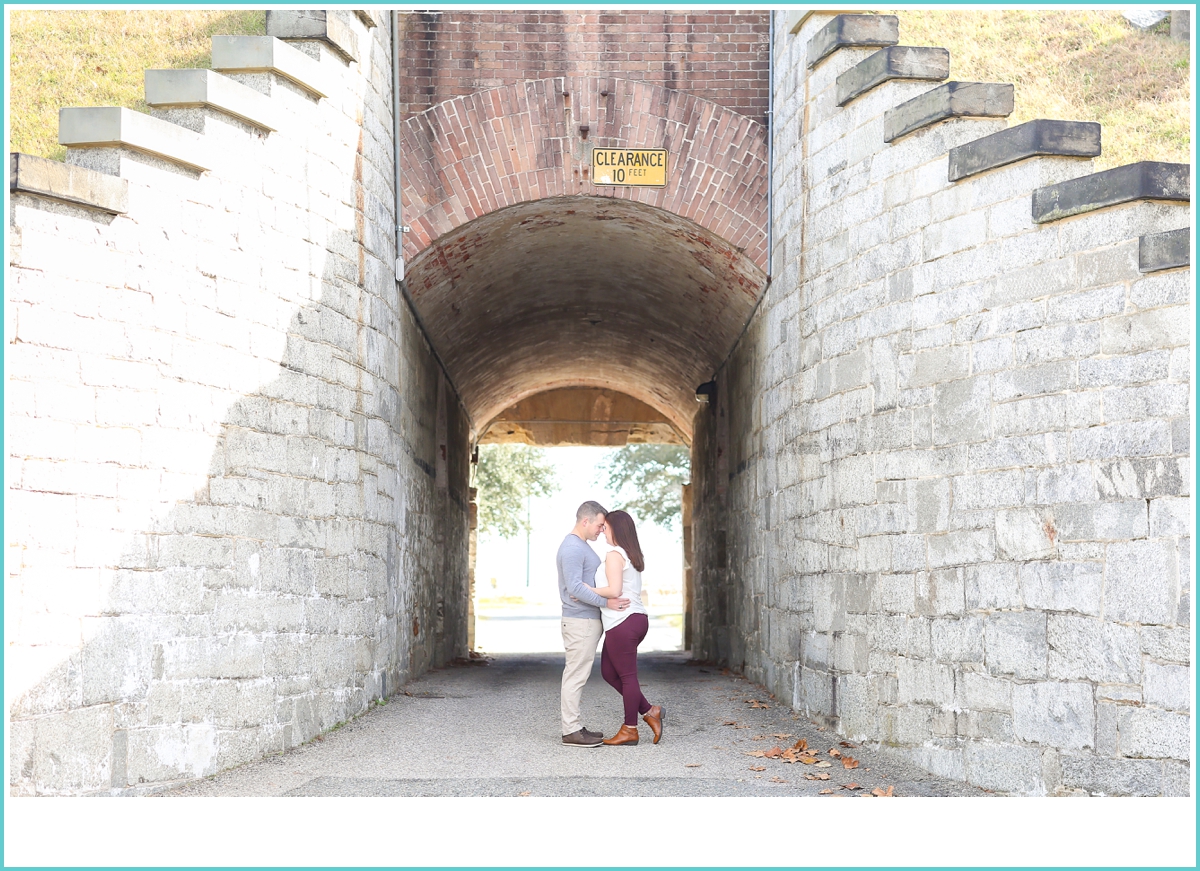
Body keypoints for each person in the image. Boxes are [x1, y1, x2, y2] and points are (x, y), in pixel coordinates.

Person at [557, 501, 630, 748]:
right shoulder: (572, 548)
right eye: (599, 525)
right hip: (579, 621)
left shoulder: (581, 547)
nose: (602, 530)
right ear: (585, 521)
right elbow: (575, 587)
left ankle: (574, 726)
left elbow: (582, 586)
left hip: (586, 621)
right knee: (575, 676)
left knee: (579, 674)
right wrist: (606, 602)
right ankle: (571, 731)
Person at [589, 509, 665, 746]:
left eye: (606, 527)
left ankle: (630, 729)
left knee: (627, 677)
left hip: (623, 622)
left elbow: (613, 591)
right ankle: (649, 711)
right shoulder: (631, 554)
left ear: (616, 529)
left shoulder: (614, 554)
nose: (602, 531)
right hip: (634, 620)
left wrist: (584, 590)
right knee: (609, 673)